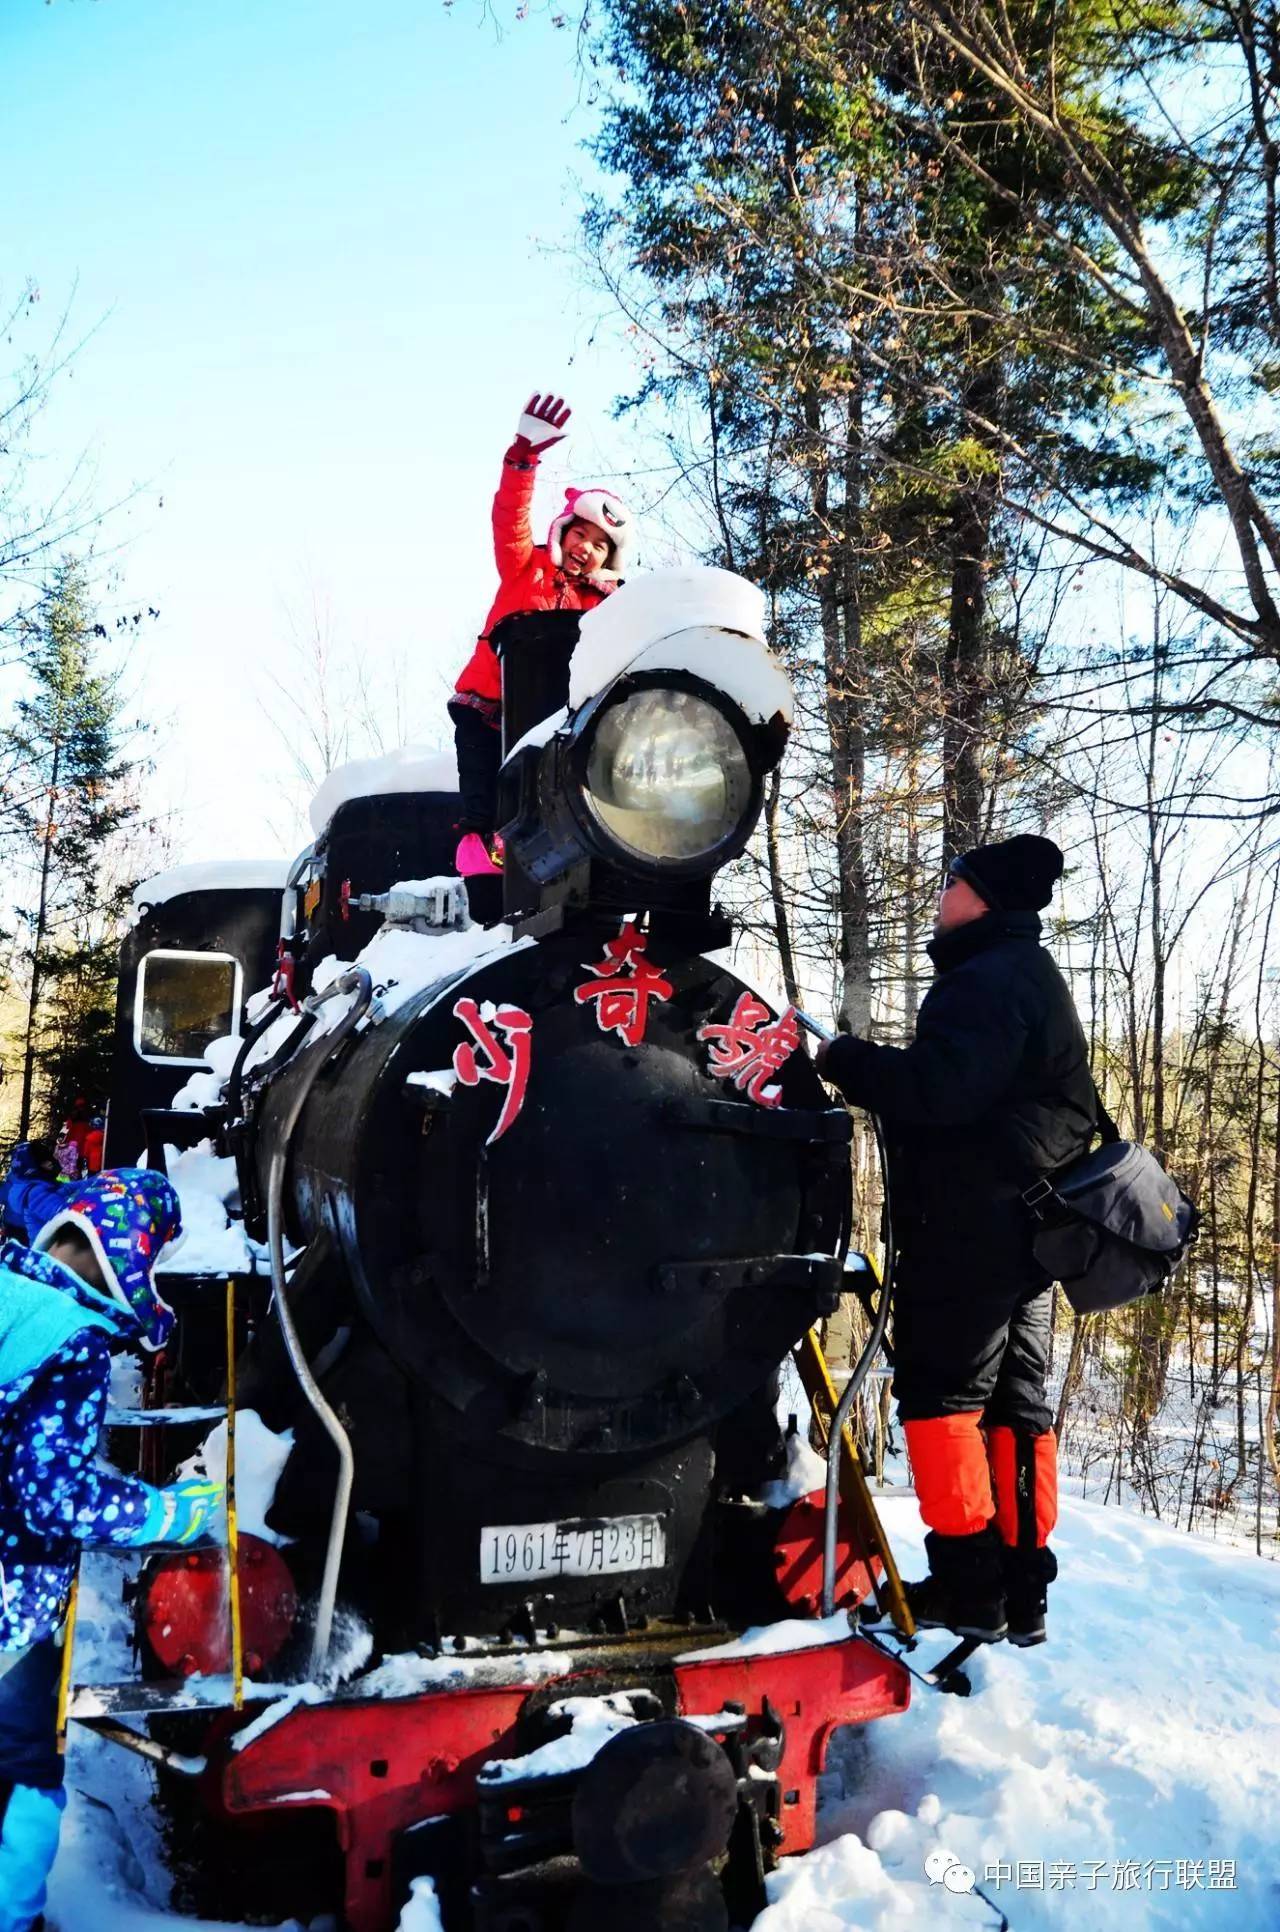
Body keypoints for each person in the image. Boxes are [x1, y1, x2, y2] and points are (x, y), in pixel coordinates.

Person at [816, 835, 1095, 1648]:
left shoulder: (984, 981)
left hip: (972, 1233)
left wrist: (846, 1060)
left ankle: (971, 1585)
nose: (942, 894)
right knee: (1016, 1406)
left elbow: (936, 1092)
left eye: (954, 883)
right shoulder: (1024, 975)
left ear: (984, 899)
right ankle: (1020, 1587)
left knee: (943, 1403)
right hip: (1025, 1235)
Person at [0, 1170, 223, 1931]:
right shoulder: (72, 1340)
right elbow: (52, 1496)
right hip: (11, 1606)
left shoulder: (9, 1291)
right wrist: (170, 1512)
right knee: (23, 1773)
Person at [448, 391, 633, 877]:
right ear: (563, 530)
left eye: (599, 546)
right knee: (485, 803)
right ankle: (483, 871)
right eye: (580, 535)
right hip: (488, 708)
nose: (585, 549)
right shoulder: (524, 566)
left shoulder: (603, 605)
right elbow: (508, 518)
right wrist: (523, 459)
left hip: (549, 720)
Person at [0, 1147, 64, 1249]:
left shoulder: (16, 1178)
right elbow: (59, 1212)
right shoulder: (34, 1188)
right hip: (23, 1229)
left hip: (14, 1227)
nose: (50, 1163)